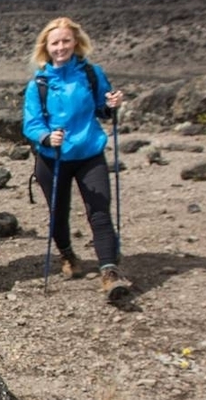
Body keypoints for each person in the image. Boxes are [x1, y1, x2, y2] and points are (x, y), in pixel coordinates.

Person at [22, 17, 130, 301]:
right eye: (55, 42)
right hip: (52, 157)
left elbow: (102, 107)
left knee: (99, 209)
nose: (61, 47)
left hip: (89, 152)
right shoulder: (39, 83)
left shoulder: (92, 74)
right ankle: (68, 255)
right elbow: (31, 124)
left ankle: (110, 272)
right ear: (46, 46)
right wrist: (46, 136)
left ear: (76, 42)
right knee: (59, 212)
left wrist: (111, 105)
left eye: (65, 41)